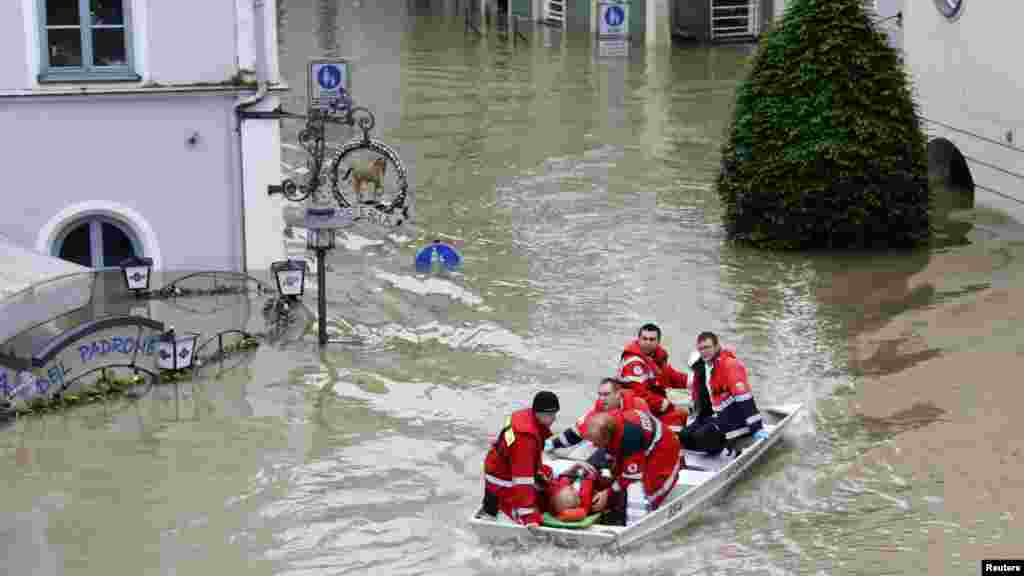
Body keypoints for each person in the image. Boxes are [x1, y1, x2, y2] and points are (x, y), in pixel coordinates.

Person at [583, 409, 682, 527]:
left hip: (663, 452)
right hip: (640, 442)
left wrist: (607, 494)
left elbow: (630, 478)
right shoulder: (607, 422)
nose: (594, 445)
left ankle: (635, 524)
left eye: (596, 441)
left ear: (607, 437)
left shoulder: (631, 435)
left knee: (643, 492)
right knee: (596, 464)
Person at [482, 391, 560, 526]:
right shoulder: (525, 439)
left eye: (555, 414)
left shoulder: (525, 417)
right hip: (503, 484)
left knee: (548, 480)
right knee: (534, 517)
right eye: (550, 415)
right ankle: (501, 508)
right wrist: (528, 516)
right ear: (538, 413)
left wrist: (539, 473)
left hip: (499, 470)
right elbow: (522, 478)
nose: (554, 419)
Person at [678, 331, 763, 455]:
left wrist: (756, 427)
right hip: (716, 417)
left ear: (717, 346)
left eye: (707, 347)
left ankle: (730, 444)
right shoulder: (706, 370)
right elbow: (705, 402)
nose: (704, 351)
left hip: (734, 420)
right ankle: (712, 443)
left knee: (703, 436)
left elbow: (744, 398)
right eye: (701, 349)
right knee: (684, 435)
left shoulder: (729, 365)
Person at [545, 377, 651, 453]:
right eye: (600, 395)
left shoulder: (638, 405)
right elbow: (577, 432)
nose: (602, 399)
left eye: (606, 395)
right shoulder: (600, 407)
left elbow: (649, 436)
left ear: (618, 394)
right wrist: (552, 444)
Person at [619, 323, 690, 435]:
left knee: (684, 413)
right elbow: (639, 394)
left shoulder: (656, 357)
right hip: (636, 411)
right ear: (639, 339)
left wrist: (695, 381)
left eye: (652, 339)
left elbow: (670, 375)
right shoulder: (633, 363)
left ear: (658, 342)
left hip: (653, 407)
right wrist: (665, 404)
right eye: (644, 339)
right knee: (681, 414)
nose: (647, 342)